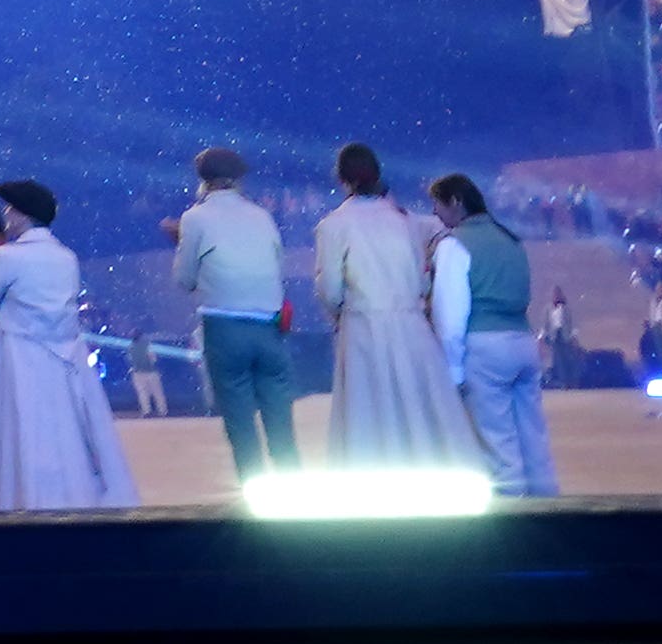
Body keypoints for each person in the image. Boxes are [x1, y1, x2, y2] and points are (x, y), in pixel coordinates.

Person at [0, 181, 132, 510]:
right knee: (64, 427)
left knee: (23, 427)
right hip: (62, 356)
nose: (8, 215)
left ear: (22, 215)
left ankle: (26, 496)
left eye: (11, 210)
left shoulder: (8, 256)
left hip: (19, 355)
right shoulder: (65, 257)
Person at [306, 147, 453, 465]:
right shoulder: (407, 221)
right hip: (411, 324)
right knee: (418, 406)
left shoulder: (333, 225)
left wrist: (339, 313)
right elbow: (428, 267)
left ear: (342, 179)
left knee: (367, 411)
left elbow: (329, 287)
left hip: (363, 325)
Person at [422, 176, 555, 498]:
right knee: (532, 438)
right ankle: (549, 507)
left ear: (455, 201)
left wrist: (453, 370)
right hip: (523, 342)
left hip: (483, 349)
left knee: (498, 442)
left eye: (437, 204)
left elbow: (450, 315)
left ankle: (512, 519)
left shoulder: (454, 245)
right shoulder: (510, 239)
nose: (435, 213)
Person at [171, 149, 291, 480]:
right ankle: (293, 486)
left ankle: (256, 494)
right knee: (279, 416)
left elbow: (184, 279)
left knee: (239, 417)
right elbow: (277, 263)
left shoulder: (194, 218)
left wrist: (180, 242)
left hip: (224, 324)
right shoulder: (260, 215)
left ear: (203, 181)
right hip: (269, 324)